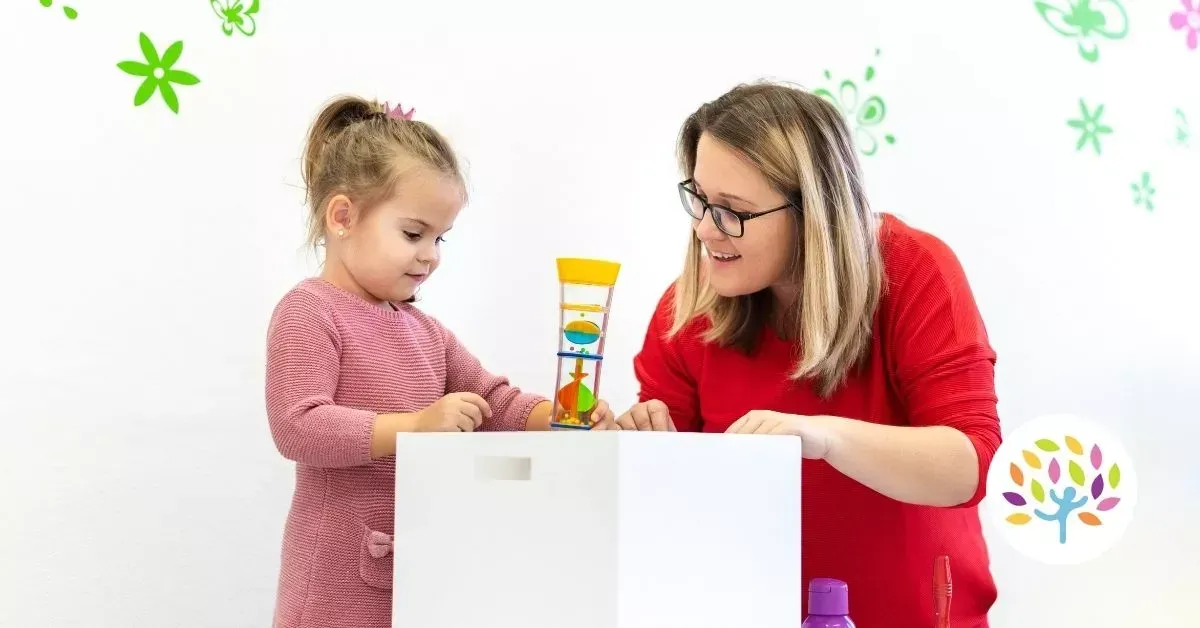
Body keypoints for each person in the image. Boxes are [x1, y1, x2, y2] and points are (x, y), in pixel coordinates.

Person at [599, 82, 1001, 628]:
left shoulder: (915, 271)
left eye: (732, 210)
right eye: (699, 199)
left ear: (813, 211)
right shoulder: (689, 307)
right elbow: (675, 511)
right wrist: (649, 451)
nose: (703, 229)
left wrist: (824, 438)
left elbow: (968, 466)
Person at [263, 95, 616, 628]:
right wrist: (415, 426)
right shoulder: (309, 312)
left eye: (439, 237)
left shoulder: (425, 332)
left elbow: (492, 400)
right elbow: (298, 427)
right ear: (343, 216)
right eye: (413, 233)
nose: (431, 254)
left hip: (421, 575)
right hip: (334, 585)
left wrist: (561, 415)